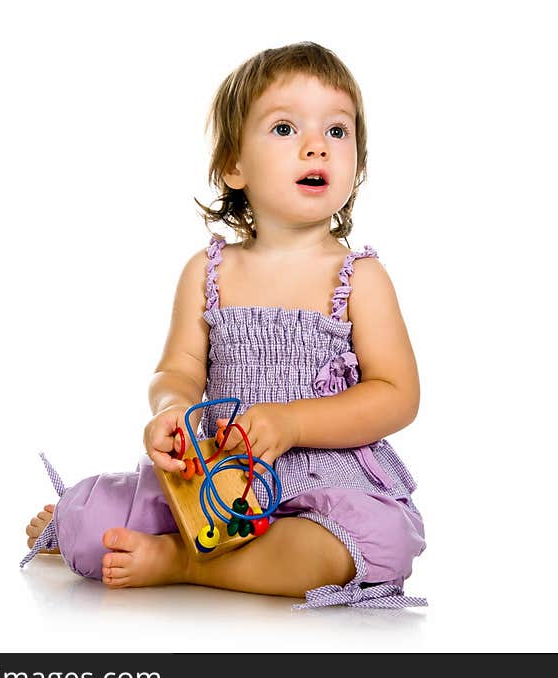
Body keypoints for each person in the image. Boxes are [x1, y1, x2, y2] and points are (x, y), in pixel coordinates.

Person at [24, 41, 426, 609]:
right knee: (94, 530)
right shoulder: (209, 270)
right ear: (234, 165)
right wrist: (171, 412)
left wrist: (291, 424)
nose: (317, 146)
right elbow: (179, 369)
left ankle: (184, 562)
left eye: (338, 131)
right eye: (286, 129)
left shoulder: (359, 277)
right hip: (218, 467)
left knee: (370, 545)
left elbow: (397, 395)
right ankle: (94, 527)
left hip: (324, 478)